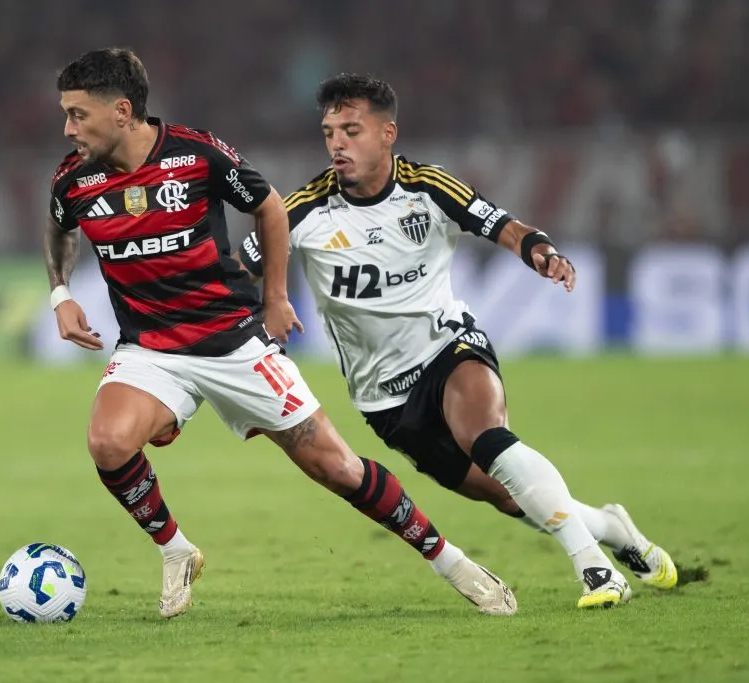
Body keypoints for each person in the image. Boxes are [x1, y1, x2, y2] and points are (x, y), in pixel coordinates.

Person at [44, 49, 517, 619]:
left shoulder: (196, 154)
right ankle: (176, 551)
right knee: (108, 442)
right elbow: (58, 224)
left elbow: (269, 208)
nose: (68, 128)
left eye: (78, 114)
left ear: (122, 111)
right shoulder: (74, 176)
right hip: (151, 349)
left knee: (337, 469)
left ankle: (452, 561)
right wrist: (61, 293)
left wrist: (274, 298)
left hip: (233, 341)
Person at [233, 73, 678, 609]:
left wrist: (541, 252)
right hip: (385, 400)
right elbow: (238, 273)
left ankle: (597, 572)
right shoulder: (302, 210)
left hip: (447, 346)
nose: (337, 144)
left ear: (387, 133)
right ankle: (613, 528)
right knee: (510, 499)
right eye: (329, 132)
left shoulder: (428, 188)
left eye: (351, 130)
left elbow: (502, 224)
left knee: (488, 439)